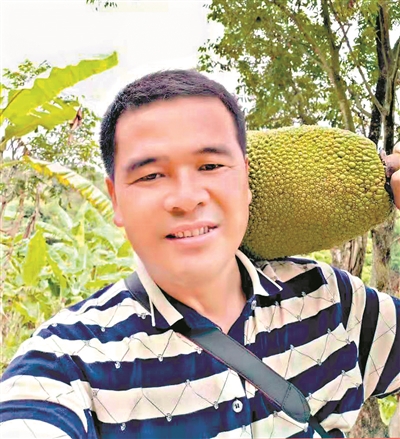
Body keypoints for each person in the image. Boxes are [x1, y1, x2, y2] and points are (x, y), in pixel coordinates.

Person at [1, 70, 399, 439]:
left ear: (245, 179)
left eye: (210, 165)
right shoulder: (66, 363)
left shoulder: (330, 300)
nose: (187, 198)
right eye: (150, 175)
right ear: (115, 198)